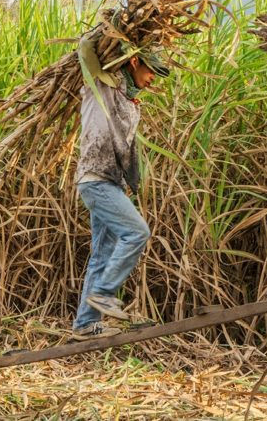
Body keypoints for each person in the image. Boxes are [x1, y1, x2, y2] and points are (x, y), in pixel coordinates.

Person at [71, 36, 170, 341]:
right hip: (95, 179)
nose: (153, 78)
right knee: (138, 233)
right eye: (151, 69)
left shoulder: (131, 104)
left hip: (110, 184)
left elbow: (125, 148)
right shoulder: (101, 87)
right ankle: (102, 293)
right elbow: (86, 49)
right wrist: (113, 27)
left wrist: (128, 184)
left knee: (102, 254)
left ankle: (85, 325)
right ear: (135, 62)